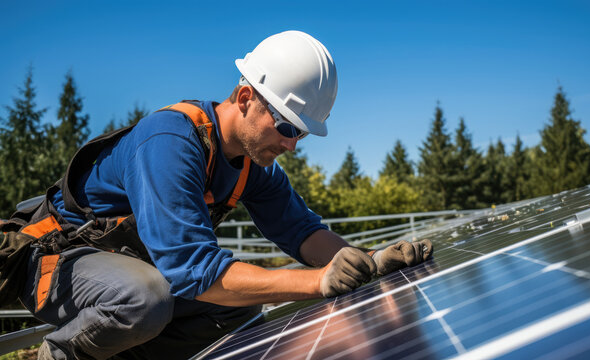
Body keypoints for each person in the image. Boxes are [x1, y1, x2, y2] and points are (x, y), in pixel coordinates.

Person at [10, 30, 433, 359]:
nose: (291, 145)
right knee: (144, 298)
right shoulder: (170, 141)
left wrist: (371, 263)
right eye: (287, 127)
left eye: (301, 134)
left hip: (125, 272)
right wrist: (320, 281)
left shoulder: (254, 164)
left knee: (240, 311)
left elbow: (302, 232)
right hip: (54, 262)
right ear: (246, 97)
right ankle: (63, 354)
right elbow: (194, 270)